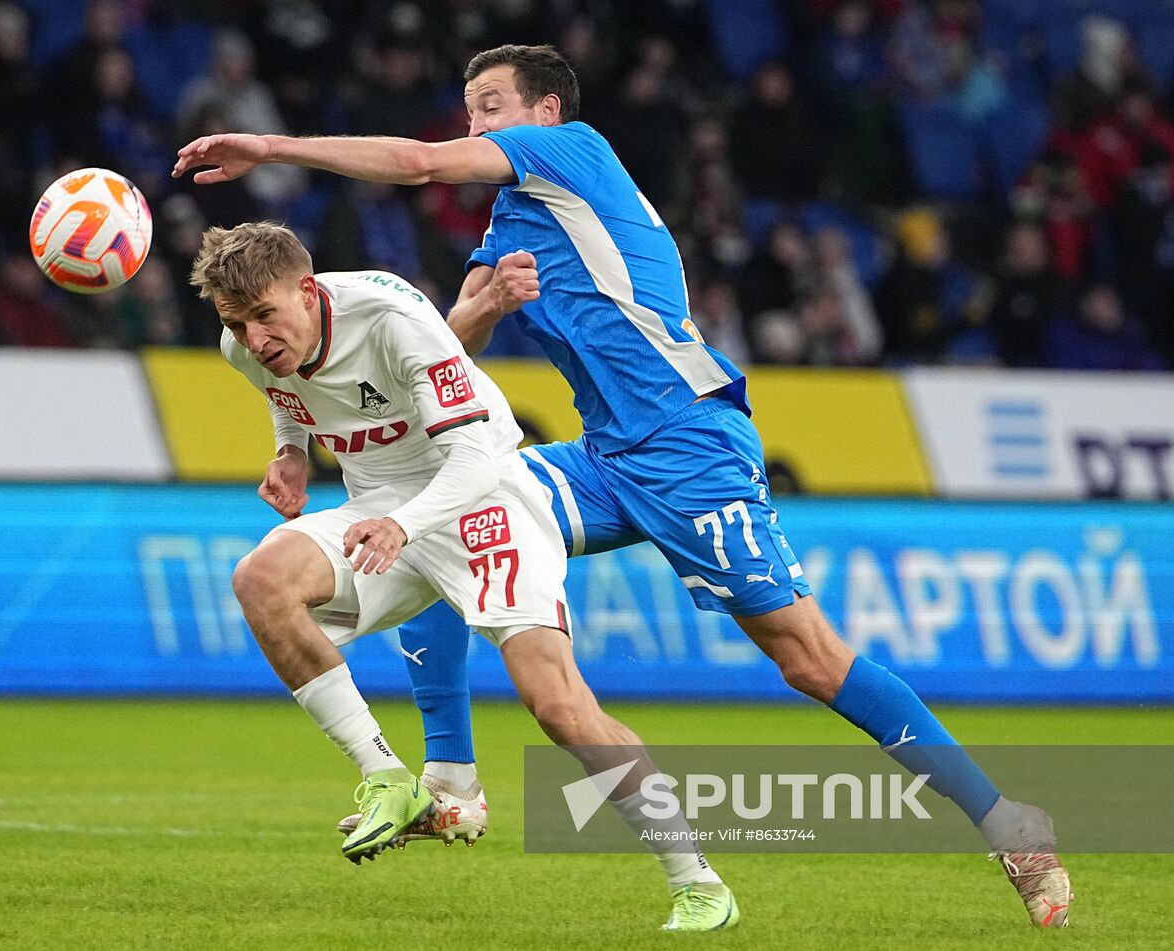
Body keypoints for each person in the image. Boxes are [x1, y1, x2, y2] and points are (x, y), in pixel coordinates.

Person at [173, 45, 1071, 928]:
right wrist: (477, 313)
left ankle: (1008, 823)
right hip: (603, 454)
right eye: (471, 107)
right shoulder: (510, 226)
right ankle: (451, 782)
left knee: (806, 657)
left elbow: (414, 163)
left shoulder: (576, 152)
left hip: (689, 442)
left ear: (545, 113)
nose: (476, 122)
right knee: (459, 505)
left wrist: (269, 147)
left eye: (491, 105)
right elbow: (443, 361)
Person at [194, 221, 738, 930]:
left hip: (483, 499)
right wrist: (291, 452)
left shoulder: (394, 318)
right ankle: (387, 776)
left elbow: (478, 455)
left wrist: (404, 523)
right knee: (261, 580)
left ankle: (698, 880)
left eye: (265, 315)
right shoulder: (243, 345)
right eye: (238, 322)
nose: (255, 337)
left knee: (558, 707)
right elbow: (285, 394)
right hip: (380, 509)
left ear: (308, 289)